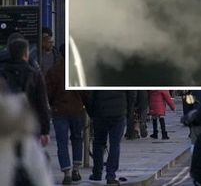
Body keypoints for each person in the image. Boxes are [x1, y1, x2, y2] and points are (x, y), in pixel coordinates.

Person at [0, 36, 50, 151]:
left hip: (5, 125)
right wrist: (45, 131)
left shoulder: (2, 73)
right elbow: (42, 104)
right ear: (26, 54)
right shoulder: (34, 74)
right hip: (29, 125)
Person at [46, 46, 86, 184]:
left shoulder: (53, 71)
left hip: (59, 111)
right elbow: (85, 92)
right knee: (77, 138)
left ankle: (67, 173)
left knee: (61, 142)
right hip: (77, 110)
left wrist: (52, 105)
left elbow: (48, 93)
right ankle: (76, 169)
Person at [83, 90, 132, 185]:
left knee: (98, 143)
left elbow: (90, 95)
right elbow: (131, 94)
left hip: (100, 112)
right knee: (115, 144)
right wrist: (128, 111)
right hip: (119, 112)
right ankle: (111, 175)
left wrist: (92, 113)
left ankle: (97, 173)